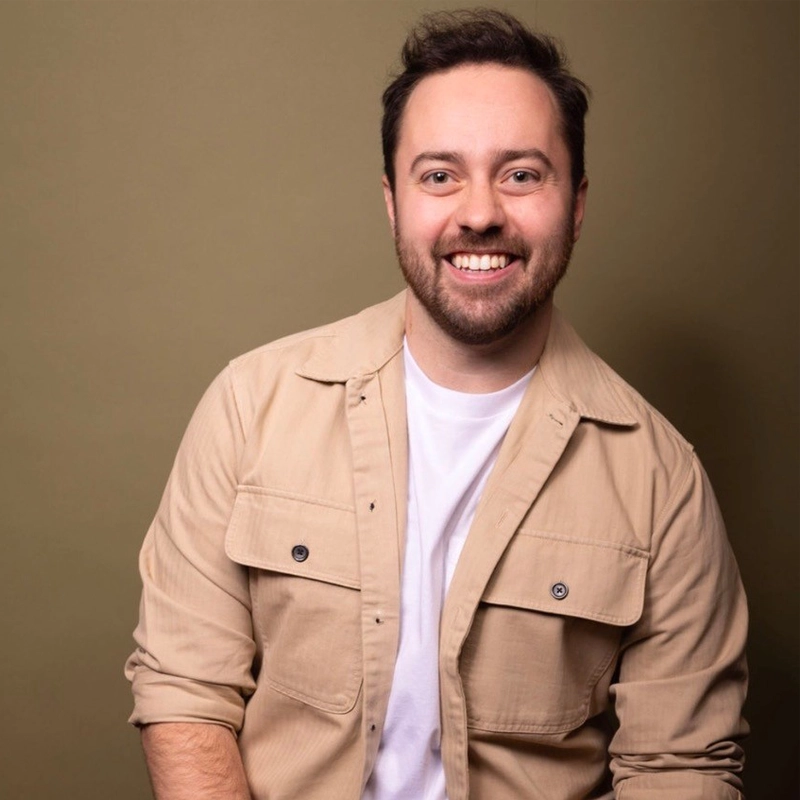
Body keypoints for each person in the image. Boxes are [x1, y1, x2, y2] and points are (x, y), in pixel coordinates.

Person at [125, 9, 748, 799]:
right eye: (439, 174)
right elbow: (185, 689)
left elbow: (679, 769)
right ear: (392, 200)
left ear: (578, 203)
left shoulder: (663, 483)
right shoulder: (251, 407)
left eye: (521, 173)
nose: (480, 211)